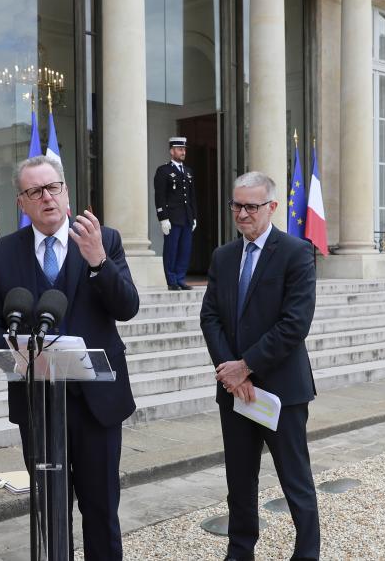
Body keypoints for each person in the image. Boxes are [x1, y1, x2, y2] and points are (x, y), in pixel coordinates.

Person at [0, 154, 139, 560]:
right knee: (50, 508)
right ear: (21, 202)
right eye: (35, 191)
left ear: (66, 191)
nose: (46, 198)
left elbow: (127, 306)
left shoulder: (104, 239)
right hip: (38, 403)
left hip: (97, 403)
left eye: (53, 188)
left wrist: (99, 259)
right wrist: (20, 353)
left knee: (101, 509)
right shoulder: (5, 252)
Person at [200, 172, 320, 561]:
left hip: (281, 389)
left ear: (271, 207)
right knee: (240, 480)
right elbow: (211, 318)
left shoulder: (296, 252)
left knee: (295, 479)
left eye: (251, 206)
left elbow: (294, 323)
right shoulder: (222, 256)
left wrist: (246, 366)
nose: (242, 213)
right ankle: (239, 552)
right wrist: (230, 372)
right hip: (234, 392)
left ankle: (306, 553)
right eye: (236, 205)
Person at [153, 136, 197, 290]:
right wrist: (163, 218)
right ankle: (171, 280)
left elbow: (192, 197)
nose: (183, 151)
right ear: (172, 151)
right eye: (180, 149)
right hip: (172, 218)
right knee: (171, 249)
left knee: (185, 249)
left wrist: (194, 217)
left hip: (186, 217)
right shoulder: (163, 171)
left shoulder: (188, 171)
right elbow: (160, 196)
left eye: (184, 149)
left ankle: (180, 278)